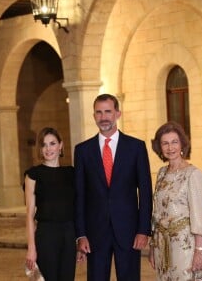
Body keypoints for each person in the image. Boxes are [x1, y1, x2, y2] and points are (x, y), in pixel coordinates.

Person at [74, 93, 153, 281]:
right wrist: (81, 235)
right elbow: (80, 195)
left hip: (129, 231)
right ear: (94, 116)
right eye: (99, 113)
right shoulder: (83, 151)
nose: (104, 117)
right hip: (95, 234)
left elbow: (146, 191)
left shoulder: (136, 147)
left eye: (108, 112)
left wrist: (143, 230)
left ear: (118, 113)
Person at [149, 121, 202, 281]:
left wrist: (199, 250)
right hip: (163, 246)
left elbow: (199, 216)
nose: (170, 148)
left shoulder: (193, 174)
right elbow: (157, 212)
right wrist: (153, 246)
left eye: (174, 142)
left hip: (184, 246)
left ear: (182, 144)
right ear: (159, 147)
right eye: (165, 143)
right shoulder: (161, 173)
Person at [24, 127, 76, 281]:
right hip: (46, 235)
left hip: (69, 235)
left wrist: (80, 243)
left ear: (60, 145)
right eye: (44, 145)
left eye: (52, 143)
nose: (48, 149)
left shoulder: (71, 173)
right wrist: (31, 248)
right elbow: (29, 215)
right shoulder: (33, 174)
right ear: (40, 149)